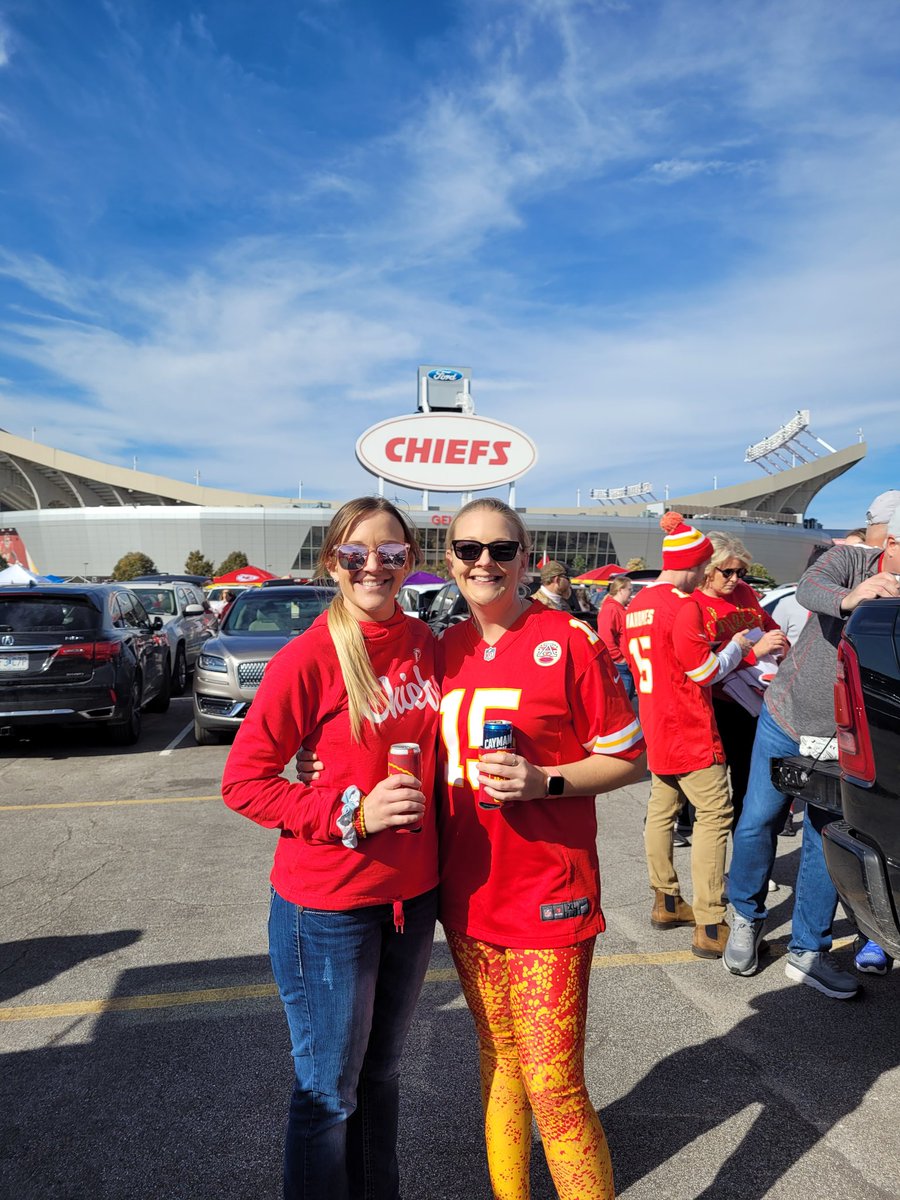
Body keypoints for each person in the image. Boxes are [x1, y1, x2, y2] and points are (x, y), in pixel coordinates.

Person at [222, 497, 440, 1200]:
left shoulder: (427, 644)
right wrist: (350, 809)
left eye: (390, 552)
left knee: (379, 1077)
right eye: (355, 553)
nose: (373, 565)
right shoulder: (307, 658)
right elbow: (244, 783)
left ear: (412, 561)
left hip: (412, 897)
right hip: (328, 908)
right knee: (328, 1095)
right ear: (333, 563)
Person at [439, 497, 646, 1200]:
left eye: (502, 549)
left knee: (554, 1086)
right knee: (498, 1063)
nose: (485, 562)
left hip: (548, 896)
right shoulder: (444, 649)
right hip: (465, 895)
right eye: (469, 549)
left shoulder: (569, 639)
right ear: (451, 559)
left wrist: (545, 781)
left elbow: (628, 759)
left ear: (527, 559)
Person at [723, 496, 900, 996]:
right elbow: (810, 588)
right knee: (760, 819)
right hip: (788, 715)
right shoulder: (849, 559)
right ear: (890, 544)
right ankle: (745, 915)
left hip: (848, 735)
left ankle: (808, 949)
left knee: (827, 838)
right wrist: (854, 597)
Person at [622, 513, 754, 958]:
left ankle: (665, 899)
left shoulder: (636, 604)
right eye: (704, 568)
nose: (705, 576)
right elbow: (704, 671)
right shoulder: (683, 603)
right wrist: (738, 647)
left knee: (662, 810)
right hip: (690, 726)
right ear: (693, 565)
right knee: (714, 816)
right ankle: (711, 922)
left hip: (656, 722)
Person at [692, 532, 789, 828]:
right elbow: (700, 665)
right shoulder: (693, 603)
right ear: (709, 570)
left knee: (749, 782)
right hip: (717, 704)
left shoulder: (744, 592)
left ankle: (743, 856)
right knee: (712, 787)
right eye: (728, 571)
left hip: (756, 698)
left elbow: (767, 623)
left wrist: (781, 644)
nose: (735, 579)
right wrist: (753, 652)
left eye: (741, 572)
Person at [596, 575, 636, 700]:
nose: (631, 593)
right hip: (620, 665)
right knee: (622, 703)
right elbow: (605, 638)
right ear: (621, 590)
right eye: (630, 589)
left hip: (623, 663)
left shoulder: (616, 608)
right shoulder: (611, 609)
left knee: (625, 701)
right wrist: (620, 659)